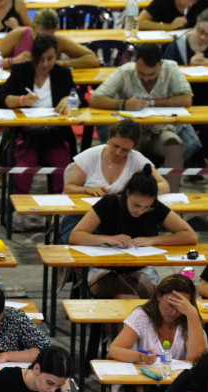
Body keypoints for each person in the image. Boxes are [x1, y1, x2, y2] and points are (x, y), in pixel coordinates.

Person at [69, 165, 197, 299]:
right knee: (125, 296)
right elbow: (76, 235)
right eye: (136, 205)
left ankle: (116, 320)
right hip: (103, 268)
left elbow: (189, 235)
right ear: (127, 193)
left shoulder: (155, 207)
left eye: (146, 207)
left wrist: (153, 240)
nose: (140, 211)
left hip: (142, 269)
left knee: (129, 297)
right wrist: (107, 239)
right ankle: (124, 320)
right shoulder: (109, 203)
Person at [91, 44, 201, 191]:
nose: (146, 78)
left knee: (174, 146)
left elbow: (187, 98)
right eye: (142, 74)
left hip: (160, 130)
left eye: (151, 75)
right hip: (131, 133)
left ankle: (170, 198)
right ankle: (128, 198)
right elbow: (96, 98)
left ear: (160, 65)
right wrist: (123, 104)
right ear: (136, 63)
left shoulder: (171, 68)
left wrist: (153, 103)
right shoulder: (125, 71)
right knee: (126, 148)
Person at [0, 35, 76, 201]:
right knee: (23, 170)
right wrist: (21, 100)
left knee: (62, 170)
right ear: (33, 57)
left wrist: (70, 98)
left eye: (50, 59)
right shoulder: (21, 71)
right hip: (27, 135)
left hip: (56, 135)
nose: (45, 64)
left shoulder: (63, 74)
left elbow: (78, 95)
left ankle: (57, 215)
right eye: (41, 59)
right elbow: (1, 97)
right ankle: (17, 213)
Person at [125, 279, 208, 392]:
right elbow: (114, 350)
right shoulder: (142, 316)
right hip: (149, 384)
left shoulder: (188, 319)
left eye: (181, 307)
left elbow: (197, 358)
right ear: (158, 296)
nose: (174, 311)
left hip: (179, 384)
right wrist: (138, 356)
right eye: (171, 304)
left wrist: (192, 315)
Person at [64, 117, 169, 196]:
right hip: (83, 213)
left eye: (125, 150)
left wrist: (136, 191)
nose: (118, 152)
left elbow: (164, 186)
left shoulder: (137, 159)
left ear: (133, 147)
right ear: (108, 138)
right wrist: (87, 190)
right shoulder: (89, 156)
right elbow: (69, 188)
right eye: (115, 146)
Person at [0, 8, 99, 70]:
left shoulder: (58, 41)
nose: (43, 41)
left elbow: (92, 59)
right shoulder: (17, 35)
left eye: (48, 37)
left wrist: (61, 63)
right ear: (32, 28)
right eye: (39, 36)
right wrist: (12, 61)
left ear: (54, 32)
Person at [140, 0, 207, 30]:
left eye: (195, 1)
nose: (191, 4)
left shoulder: (203, 3)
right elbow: (139, 22)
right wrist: (169, 26)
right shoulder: (163, 1)